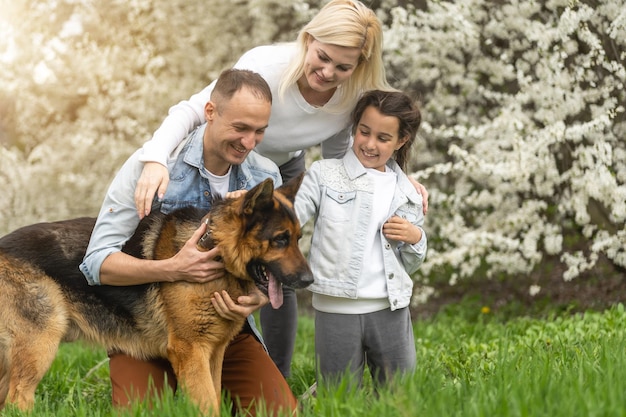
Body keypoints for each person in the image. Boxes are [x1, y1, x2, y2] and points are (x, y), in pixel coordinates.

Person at [131, 0, 429, 379]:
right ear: (308, 39)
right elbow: (193, 110)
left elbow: (343, 162)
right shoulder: (266, 65)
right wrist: (156, 157)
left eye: (343, 66)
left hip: (277, 169)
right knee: (205, 256)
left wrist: (396, 178)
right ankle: (171, 339)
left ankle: (276, 375)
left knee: (279, 263)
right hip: (226, 155)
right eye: (322, 57)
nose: (327, 72)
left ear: (358, 65)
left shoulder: (353, 94)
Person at [79, 68, 297, 416]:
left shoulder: (264, 175)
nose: (249, 142)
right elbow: (95, 264)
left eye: (259, 131)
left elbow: (268, 256)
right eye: (240, 128)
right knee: (141, 412)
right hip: (145, 333)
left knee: (280, 412)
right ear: (210, 112)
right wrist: (169, 268)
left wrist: (256, 296)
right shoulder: (152, 167)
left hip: (227, 329)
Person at [294, 90, 427, 389]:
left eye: (383, 138)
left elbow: (410, 262)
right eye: (364, 132)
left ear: (400, 141)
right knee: (338, 395)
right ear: (354, 128)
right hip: (336, 307)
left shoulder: (407, 193)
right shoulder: (324, 175)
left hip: (390, 307)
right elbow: (290, 217)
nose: (369, 144)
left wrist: (416, 237)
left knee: (398, 395)